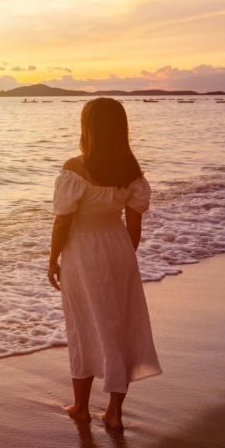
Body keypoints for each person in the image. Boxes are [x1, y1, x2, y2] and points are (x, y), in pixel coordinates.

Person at [46, 98, 161, 430]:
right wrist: (124, 257)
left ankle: (81, 407)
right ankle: (114, 413)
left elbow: (62, 222)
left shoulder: (75, 168)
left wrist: (53, 259)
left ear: (88, 128)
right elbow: (134, 226)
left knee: (82, 326)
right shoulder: (132, 171)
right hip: (119, 248)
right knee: (119, 327)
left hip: (83, 252)